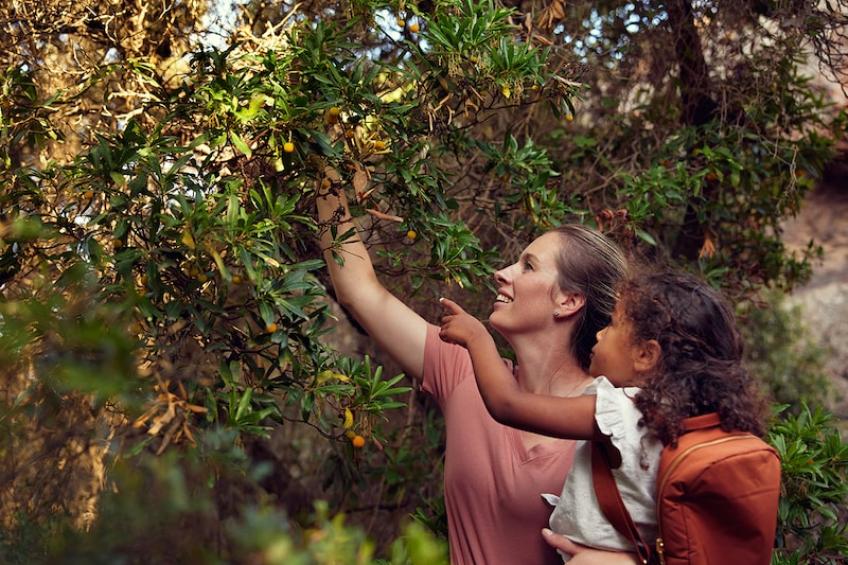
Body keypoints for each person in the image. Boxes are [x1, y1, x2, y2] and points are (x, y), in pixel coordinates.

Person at [316, 184, 627, 565]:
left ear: (568, 301)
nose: (502, 273)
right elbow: (359, 291)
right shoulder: (465, 370)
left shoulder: (609, 419)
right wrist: (325, 167)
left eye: (528, 266)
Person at [438, 270, 768, 564]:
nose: (599, 334)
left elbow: (507, 405)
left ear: (645, 354)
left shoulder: (625, 412)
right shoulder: (679, 422)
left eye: (612, 324)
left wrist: (477, 337)